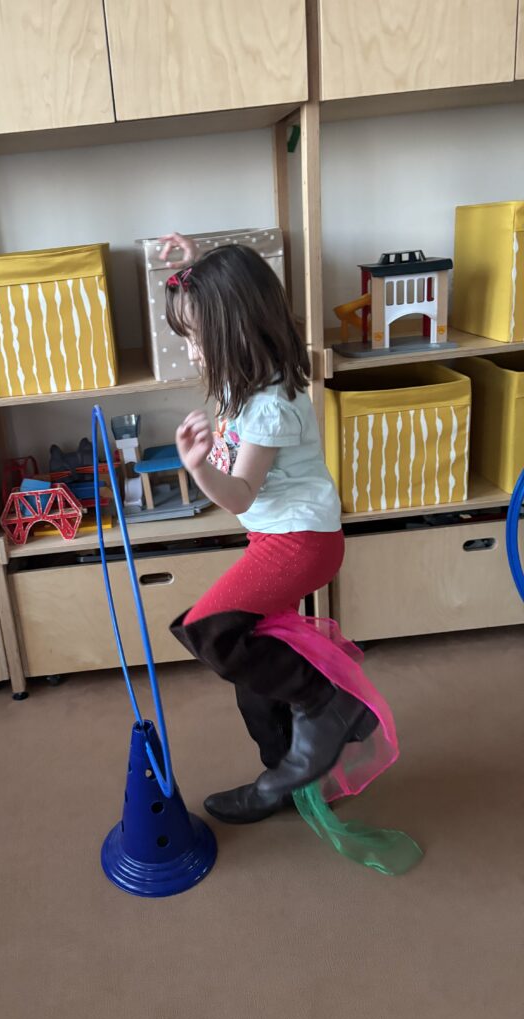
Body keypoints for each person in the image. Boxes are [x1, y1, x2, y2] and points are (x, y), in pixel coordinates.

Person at [160, 232, 377, 825]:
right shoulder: (244, 375)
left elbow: (239, 495)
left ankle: (326, 703)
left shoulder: (268, 405)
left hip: (300, 542)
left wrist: (199, 468)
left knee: (209, 631)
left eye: (196, 339)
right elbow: (233, 290)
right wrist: (195, 264)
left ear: (233, 330)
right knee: (252, 666)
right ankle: (287, 776)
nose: (192, 354)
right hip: (278, 538)